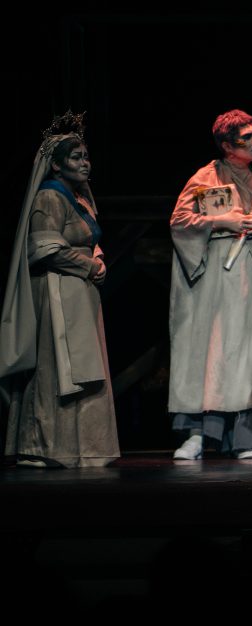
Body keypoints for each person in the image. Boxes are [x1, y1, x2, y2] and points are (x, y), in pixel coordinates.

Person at [0, 111, 120, 468]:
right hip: (56, 292)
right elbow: (44, 247)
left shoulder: (78, 197)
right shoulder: (50, 197)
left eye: (86, 156)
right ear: (55, 165)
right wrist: (89, 265)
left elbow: (88, 238)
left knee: (83, 368)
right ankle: (43, 446)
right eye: (75, 157)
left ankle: (82, 448)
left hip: (79, 292)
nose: (85, 163)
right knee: (56, 368)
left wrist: (97, 257)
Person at [168, 109, 252, 460]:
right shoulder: (207, 177)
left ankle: (248, 437)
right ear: (227, 145)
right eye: (247, 137)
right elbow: (180, 221)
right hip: (217, 279)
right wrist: (223, 221)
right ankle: (200, 434)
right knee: (211, 352)